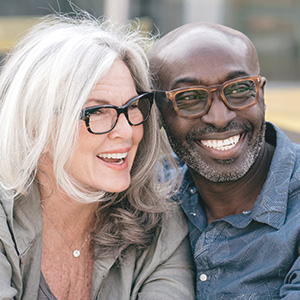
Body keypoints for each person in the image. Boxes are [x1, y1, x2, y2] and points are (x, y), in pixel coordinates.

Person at [0, 13, 196, 300]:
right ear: (34, 126)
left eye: (132, 107)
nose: (127, 131)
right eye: (96, 111)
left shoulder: (160, 226)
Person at [148, 21, 300, 299]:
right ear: (158, 112)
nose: (220, 118)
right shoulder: (144, 196)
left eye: (238, 89)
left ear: (261, 94)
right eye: (190, 97)